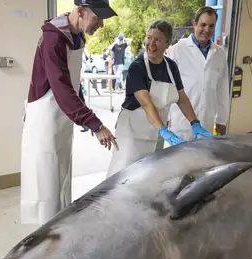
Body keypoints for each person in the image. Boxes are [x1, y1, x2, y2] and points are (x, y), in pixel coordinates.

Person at [20, 0, 119, 225]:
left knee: (61, 180)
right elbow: (61, 87)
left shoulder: (77, 36)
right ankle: (45, 244)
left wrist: (83, 113)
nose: (101, 25)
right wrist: (94, 124)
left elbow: (73, 83)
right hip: (45, 120)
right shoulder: (53, 38)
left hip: (61, 118)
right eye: (98, 18)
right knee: (47, 187)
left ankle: (58, 234)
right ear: (81, 11)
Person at [106, 19, 213, 178]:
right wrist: (164, 130)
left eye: (157, 40)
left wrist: (194, 123)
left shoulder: (171, 67)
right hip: (133, 134)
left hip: (156, 133)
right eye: (149, 38)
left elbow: (181, 98)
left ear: (167, 44)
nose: (151, 43)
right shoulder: (137, 67)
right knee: (124, 176)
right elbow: (147, 103)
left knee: (149, 177)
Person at [167, 6, 231, 138]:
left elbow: (222, 89)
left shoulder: (219, 54)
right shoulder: (178, 49)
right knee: (178, 158)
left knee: (203, 158)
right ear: (194, 24)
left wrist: (221, 119)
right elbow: (168, 85)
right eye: (203, 25)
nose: (207, 30)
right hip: (180, 122)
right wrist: (165, 116)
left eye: (211, 26)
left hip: (206, 122)